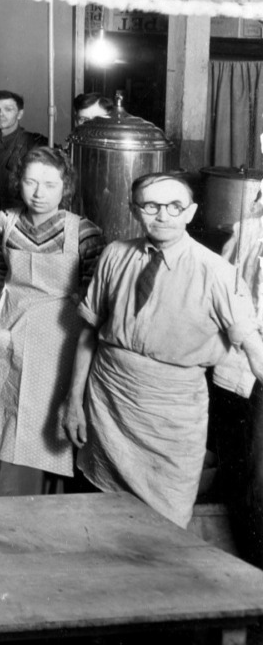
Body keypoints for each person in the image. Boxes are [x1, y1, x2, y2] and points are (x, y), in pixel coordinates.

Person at [63, 172, 263, 527]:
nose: (163, 215)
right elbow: (87, 334)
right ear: (134, 209)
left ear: (191, 212)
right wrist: (74, 401)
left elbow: (253, 347)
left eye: (175, 206)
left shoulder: (216, 272)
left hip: (171, 421)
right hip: (108, 405)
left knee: (165, 529)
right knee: (99, 518)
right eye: (151, 205)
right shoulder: (114, 255)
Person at [0, 147, 103, 495]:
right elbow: (3, 270)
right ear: (18, 182)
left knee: (39, 426)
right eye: (30, 182)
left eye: (50, 184)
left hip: (57, 339)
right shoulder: (4, 222)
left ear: (65, 187)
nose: (39, 193)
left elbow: (92, 293)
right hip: (6, 327)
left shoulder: (84, 233)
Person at [0, 90, 50, 211]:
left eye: (8, 109)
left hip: (19, 213)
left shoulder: (34, 143)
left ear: (20, 114)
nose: (0, 114)